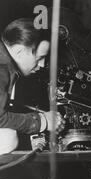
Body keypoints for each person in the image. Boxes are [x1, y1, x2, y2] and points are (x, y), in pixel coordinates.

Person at [0, 18, 64, 154]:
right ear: (19, 51)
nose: (41, 65)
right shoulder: (2, 69)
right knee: (8, 138)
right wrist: (43, 121)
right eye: (40, 57)